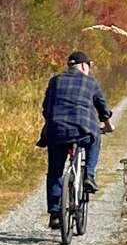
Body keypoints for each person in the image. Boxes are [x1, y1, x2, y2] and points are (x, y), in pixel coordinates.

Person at [37, 51, 115, 230]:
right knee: (94, 139)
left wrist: (53, 121)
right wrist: (108, 126)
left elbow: (46, 108)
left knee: (55, 172)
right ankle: (89, 175)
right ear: (84, 65)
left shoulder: (55, 80)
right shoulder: (91, 82)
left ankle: (55, 215)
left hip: (56, 131)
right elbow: (103, 110)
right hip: (83, 130)